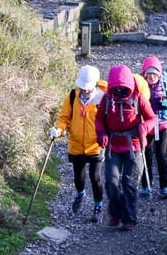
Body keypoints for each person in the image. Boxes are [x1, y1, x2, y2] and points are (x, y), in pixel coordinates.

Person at [95, 64, 156, 230]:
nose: (119, 92)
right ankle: (115, 214)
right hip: (113, 146)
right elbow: (99, 119)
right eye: (116, 89)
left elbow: (152, 118)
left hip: (134, 147)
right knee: (111, 182)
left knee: (129, 183)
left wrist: (144, 127)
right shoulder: (107, 99)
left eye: (123, 89)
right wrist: (101, 133)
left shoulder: (138, 98)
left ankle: (129, 218)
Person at [50, 66, 108, 222]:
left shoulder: (103, 98)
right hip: (76, 145)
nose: (85, 89)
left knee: (95, 177)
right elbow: (64, 118)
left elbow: (107, 120)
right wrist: (59, 130)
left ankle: (98, 206)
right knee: (78, 177)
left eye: (88, 86)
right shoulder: (72, 96)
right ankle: (80, 194)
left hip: (95, 146)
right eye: (83, 86)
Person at [139, 56, 167, 198]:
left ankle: (164, 186)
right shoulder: (141, 85)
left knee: (161, 154)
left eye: (154, 74)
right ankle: (146, 186)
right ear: (145, 74)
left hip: (162, 125)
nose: (152, 77)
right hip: (147, 125)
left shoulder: (165, 83)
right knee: (146, 155)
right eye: (149, 74)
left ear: (159, 74)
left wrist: (164, 102)